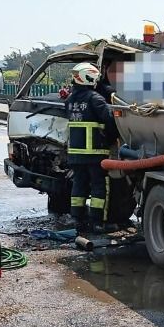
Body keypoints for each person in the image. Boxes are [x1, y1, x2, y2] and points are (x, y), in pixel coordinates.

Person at [64, 62, 116, 233]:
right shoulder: (96, 99)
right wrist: (111, 139)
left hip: (75, 153)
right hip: (95, 152)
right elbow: (110, 121)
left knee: (78, 185)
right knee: (99, 187)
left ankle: (77, 220)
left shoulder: (70, 100)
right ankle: (97, 222)